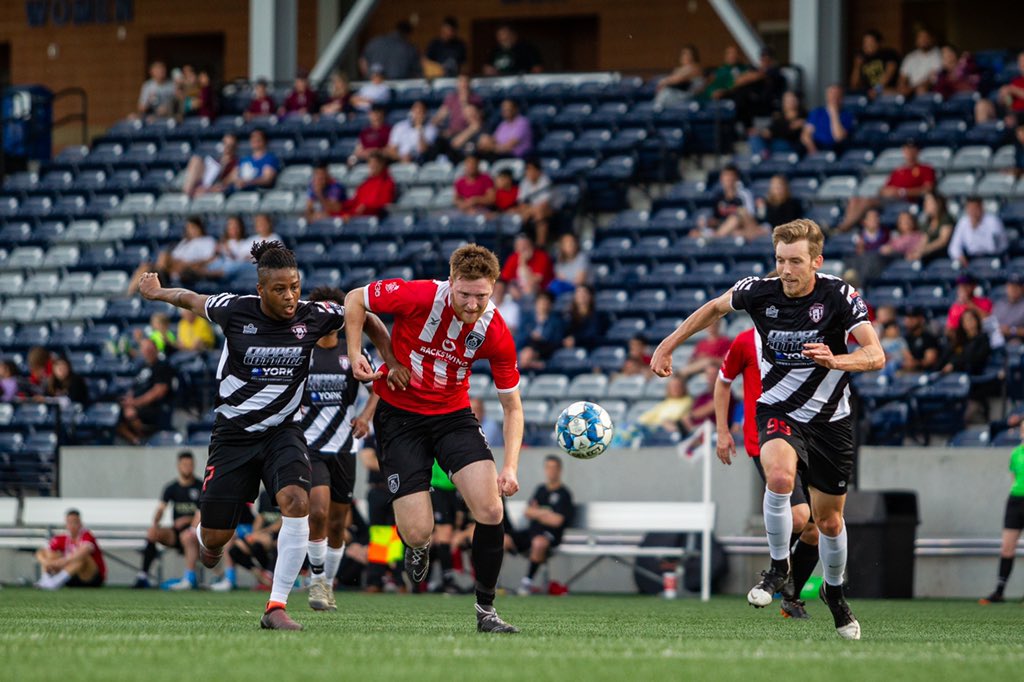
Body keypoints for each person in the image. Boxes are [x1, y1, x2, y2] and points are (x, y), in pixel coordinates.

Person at [136, 240, 399, 630]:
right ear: (261, 290)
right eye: (280, 289)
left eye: (295, 286)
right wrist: (157, 292)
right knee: (213, 543)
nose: (291, 295)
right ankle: (208, 539)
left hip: (283, 432)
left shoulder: (316, 315)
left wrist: (386, 360)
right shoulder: (235, 309)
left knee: (297, 502)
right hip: (233, 436)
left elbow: (366, 315)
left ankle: (276, 607)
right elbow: (190, 299)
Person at [650, 219, 885, 640]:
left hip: (831, 421)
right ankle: (778, 567)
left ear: (817, 260)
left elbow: (875, 354)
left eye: (795, 261)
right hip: (778, 410)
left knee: (829, 523)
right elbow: (714, 308)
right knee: (778, 477)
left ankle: (834, 594)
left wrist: (837, 361)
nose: (786, 270)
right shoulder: (760, 290)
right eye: (780, 260)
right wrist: (670, 342)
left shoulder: (839, 295)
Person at [343, 244, 526, 633]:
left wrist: (510, 466)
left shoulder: (495, 331)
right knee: (416, 530)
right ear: (451, 281)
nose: (474, 304)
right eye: (466, 294)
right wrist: (358, 354)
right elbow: (355, 299)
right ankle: (420, 547)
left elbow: (513, 407)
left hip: (453, 417)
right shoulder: (419, 295)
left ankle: (486, 611)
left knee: (491, 510)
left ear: (493, 288)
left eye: (483, 295)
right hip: (400, 419)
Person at [714, 326, 819, 619]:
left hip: (809, 437)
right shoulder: (746, 341)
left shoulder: (809, 335)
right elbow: (723, 382)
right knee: (800, 516)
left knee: (816, 528)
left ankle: (791, 597)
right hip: (766, 439)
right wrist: (722, 431)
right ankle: (776, 570)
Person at [294, 286, 381, 611]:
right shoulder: (301, 352)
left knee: (337, 523)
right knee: (317, 511)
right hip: (309, 444)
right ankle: (316, 578)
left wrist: (365, 417)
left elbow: (379, 386)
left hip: (345, 446)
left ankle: (328, 584)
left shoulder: (353, 352)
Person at [134, 451, 202, 590]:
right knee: (153, 533)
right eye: (184, 464)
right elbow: (161, 508)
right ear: (178, 466)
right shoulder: (171, 488)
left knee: (188, 536)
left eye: (190, 464)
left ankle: (189, 579)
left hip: (196, 534)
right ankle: (143, 575)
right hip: (176, 533)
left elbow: (203, 513)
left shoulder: (200, 486)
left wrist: (187, 521)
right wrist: (156, 521)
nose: (187, 467)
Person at [836, 140, 935, 233]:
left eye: (912, 149)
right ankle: (846, 226)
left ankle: (843, 228)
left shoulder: (925, 169)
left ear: (918, 151)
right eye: (906, 149)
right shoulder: (899, 170)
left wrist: (902, 192)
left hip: (906, 201)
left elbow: (928, 189)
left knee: (866, 201)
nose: (909, 152)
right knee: (854, 200)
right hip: (888, 199)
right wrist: (886, 191)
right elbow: (884, 189)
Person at [514, 455, 574, 596]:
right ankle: (492, 584)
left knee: (539, 543)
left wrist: (537, 513)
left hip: (551, 535)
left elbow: (557, 521)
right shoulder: (540, 489)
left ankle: (527, 582)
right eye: (548, 468)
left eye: (554, 468)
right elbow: (527, 511)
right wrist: (546, 513)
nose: (551, 471)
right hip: (532, 531)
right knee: (503, 539)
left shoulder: (564, 494)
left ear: (560, 470)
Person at [979, 422, 1024, 604]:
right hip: (1015, 501)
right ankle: (999, 592)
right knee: (1007, 546)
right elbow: (1014, 478)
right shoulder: (1015, 453)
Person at [117, 339, 174, 445]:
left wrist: (135, 403)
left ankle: (143, 438)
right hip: (136, 404)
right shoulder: (142, 367)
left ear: (156, 350)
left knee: (131, 414)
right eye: (145, 349)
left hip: (154, 408)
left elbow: (159, 390)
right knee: (115, 412)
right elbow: (134, 387)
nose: (147, 352)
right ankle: (136, 440)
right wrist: (129, 401)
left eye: (150, 349)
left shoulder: (162, 366)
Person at [35, 509, 106, 590]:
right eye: (69, 522)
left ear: (80, 524)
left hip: (90, 578)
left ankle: (54, 583)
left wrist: (64, 561)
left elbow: (85, 550)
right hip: (71, 577)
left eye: (75, 522)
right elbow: (41, 552)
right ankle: (46, 579)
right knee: (50, 554)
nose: (72, 525)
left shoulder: (87, 535)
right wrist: (47, 562)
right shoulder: (62, 538)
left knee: (81, 557)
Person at [693, 164, 755, 239]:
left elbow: (750, 217)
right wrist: (708, 222)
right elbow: (716, 219)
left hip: (742, 228)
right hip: (724, 229)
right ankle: (715, 236)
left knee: (735, 219)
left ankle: (715, 238)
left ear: (736, 178)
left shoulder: (744, 195)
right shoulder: (718, 197)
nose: (728, 179)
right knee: (694, 232)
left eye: (731, 176)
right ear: (721, 179)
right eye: (726, 176)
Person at [947, 196, 1008, 266]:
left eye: (975, 208)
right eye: (970, 209)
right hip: (971, 259)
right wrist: (959, 256)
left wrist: (977, 228)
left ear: (981, 208)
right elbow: (953, 247)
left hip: (991, 258)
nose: (973, 212)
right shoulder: (963, 222)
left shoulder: (993, 221)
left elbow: (1000, 245)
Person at [517, 291, 565, 371]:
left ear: (551, 305)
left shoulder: (556, 322)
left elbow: (557, 342)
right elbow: (519, 339)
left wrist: (538, 349)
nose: (543, 305)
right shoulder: (527, 320)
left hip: (544, 352)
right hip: (526, 349)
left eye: (546, 302)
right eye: (540, 302)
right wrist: (530, 336)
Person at [748, 92, 806, 158]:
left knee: (779, 144)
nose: (790, 102)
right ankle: (761, 154)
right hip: (775, 143)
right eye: (787, 100)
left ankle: (761, 154)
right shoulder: (779, 118)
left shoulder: (804, 116)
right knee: (754, 137)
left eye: (792, 99)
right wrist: (758, 132)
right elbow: (769, 132)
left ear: (797, 100)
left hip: (791, 145)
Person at [340, 151, 396, 219]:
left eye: (375, 163)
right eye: (370, 163)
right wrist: (340, 206)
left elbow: (384, 205)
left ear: (382, 164)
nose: (372, 166)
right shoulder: (366, 182)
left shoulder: (387, 182)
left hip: (373, 219)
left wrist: (366, 208)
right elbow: (355, 201)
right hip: (357, 216)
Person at [800, 84, 854, 155]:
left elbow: (839, 137)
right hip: (817, 146)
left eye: (836, 94)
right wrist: (813, 149)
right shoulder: (817, 112)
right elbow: (805, 135)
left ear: (841, 97)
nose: (834, 97)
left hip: (835, 149)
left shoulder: (847, 115)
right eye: (831, 94)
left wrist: (834, 114)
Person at [182, 132, 238, 198]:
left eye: (231, 146)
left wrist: (207, 189)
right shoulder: (215, 161)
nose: (227, 148)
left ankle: (188, 195)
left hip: (213, 190)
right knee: (196, 160)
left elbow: (224, 184)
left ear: (235, 147)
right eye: (225, 144)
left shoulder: (235, 164)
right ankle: (187, 194)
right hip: (202, 186)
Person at [849, 30, 900, 97]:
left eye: (870, 42)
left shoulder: (889, 54)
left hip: (886, 92)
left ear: (878, 43)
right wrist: (857, 67)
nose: (867, 45)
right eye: (865, 42)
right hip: (868, 94)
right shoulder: (861, 58)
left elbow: (889, 73)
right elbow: (854, 85)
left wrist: (877, 90)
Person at [514, 158, 554, 245]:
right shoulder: (524, 182)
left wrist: (529, 211)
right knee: (516, 213)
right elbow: (521, 203)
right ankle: (522, 242)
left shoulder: (545, 181)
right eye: (527, 169)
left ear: (538, 171)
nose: (529, 172)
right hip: (530, 211)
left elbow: (544, 204)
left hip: (550, 210)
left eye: (531, 169)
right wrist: (527, 210)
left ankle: (540, 245)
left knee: (540, 213)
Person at [432, 74, 484, 140]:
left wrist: (465, 101)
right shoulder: (451, 98)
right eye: (461, 82)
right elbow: (440, 116)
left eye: (465, 82)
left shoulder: (476, 99)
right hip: (453, 132)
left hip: (469, 133)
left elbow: (476, 119)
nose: (463, 85)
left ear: (469, 84)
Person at [941, 308, 991, 375]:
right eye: (966, 320)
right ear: (963, 324)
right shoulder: (960, 340)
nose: (969, 322)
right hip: (953, 373)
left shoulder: (984, 338)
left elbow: (975, 359)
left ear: (977, 320)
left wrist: (954, 364)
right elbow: (947, 356)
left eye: (971, 319)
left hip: (973, 373)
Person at [654, 45, 704, 109]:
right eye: (683, 54)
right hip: (680, 93)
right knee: (664, 91)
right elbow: (673, 79)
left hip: (691, 95)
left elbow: (679, 79)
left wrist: (663, 82)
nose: (684, 56)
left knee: (666, 93)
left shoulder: (695, 67)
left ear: (693, 56)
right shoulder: (681, 69)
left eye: (687, 54)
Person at [909, 191, 954, 262]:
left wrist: (925, 250)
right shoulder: (928, 221)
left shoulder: (946, 219)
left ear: (938, 203)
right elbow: (924, 239)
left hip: (944, 255)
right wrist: (915, 250)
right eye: (925, 202)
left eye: (929, 203)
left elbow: (943, 241)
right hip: (931, 254)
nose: (925, 205)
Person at [898, 27, 942, 97]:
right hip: (910, 91)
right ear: (916, 40)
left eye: (926, 37)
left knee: (921, 90)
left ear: (931, 39)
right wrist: (902, 87)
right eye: (920, 37)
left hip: (929, 89)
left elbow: (931, 79)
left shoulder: (938, 54)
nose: (923, 40)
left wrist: (912, 89)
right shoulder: (910, 57)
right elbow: (902, 77)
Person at [900, 307, 942, 373]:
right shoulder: (905, 338)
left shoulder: (928, 337)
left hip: (925, 373)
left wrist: (915, 363)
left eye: (913, 317)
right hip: (908, 373)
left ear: (921, 319)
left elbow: (930, 360)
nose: (909, 320)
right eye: (907, 317)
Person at [993, 273, 1024, 345]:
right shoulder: (999, 304)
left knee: (1015, 344)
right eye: (1011, 286)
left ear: (1022, 288)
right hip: (997, 338)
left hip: (1016, 339)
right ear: (1006, 287)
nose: (1013, 289)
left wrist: (1012, 330)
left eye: (1017, 286)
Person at [997, 51, 1024, 120]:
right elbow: (1008, 102)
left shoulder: (1013, 87)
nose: (1022, 64)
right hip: (1015, 115)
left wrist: (1013, 90)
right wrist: (1003, 96)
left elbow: (1013, 90)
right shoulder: (1015, 81)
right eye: (1020, 61)